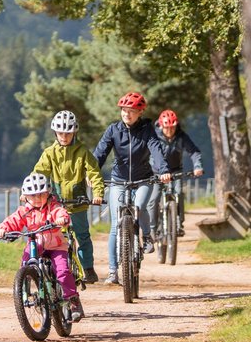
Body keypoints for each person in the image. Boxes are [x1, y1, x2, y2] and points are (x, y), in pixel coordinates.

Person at [93, 92, 172, 285]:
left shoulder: (147, 130)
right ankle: (113, 272)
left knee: (139, 206)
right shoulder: (113, 130)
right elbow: (100, 154)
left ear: (140, 112)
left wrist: (163, 170)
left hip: (143, 179)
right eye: (124, 110)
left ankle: (146, 238)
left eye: (131, 111)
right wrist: (91, 173)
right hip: (118, 180)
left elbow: (156, 149)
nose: (126, 114)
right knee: (114, 226)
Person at [0, 172, 84, 322]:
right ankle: (24, 287)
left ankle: (73, 300)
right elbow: (13, 220)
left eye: (41, 194)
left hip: (56, 245)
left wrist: (62, 219)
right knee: (25, 262)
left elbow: (60, 212)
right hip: (36, 244)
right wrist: (3, 229)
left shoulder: (52, 206)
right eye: (33, 195)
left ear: (48, 193)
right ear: (26, 196)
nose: (37, 199)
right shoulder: (24, 211)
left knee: (62, 271)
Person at [32, 109, 105, 284]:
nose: (64, 136)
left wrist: (97, 194)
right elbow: (39, 173)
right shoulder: (49, 153)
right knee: (57, 238)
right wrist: (31, 193)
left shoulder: (83, 152)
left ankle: (88, 268)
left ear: (74, 132)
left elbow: (94, 173)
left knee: (82, 236)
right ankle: (58, 268)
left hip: (78, 202)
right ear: (55, 133)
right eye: (60, 132)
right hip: (56, 205)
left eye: (68, 132)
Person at [148, 109, 204, 237]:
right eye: (167, 128)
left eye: (172, 128)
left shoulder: (181, 136)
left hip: (175, 171)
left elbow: (194, 152)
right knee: (154, 198)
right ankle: (153, 228)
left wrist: (197, 166)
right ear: (161, 125)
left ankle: (179, 223)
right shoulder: (154, 136)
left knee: (178, 193)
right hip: (156, 173)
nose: (170, 131)